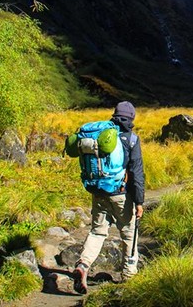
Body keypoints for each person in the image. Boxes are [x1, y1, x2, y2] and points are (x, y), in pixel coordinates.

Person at [73, 101, 145, 293]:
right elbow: (137, 173)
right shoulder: (131, 139)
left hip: (98, 191)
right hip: (120, 194)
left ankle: (83, 264)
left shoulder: (102, 136)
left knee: (97, 232)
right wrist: (139, 202)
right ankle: (129, 277)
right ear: (131, 118)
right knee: (129, 233)